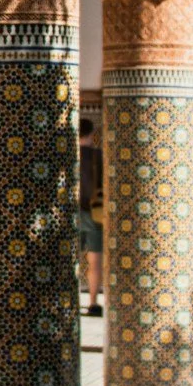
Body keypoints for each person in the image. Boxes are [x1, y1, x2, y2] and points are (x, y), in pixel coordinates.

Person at [78, 111, 104, 316]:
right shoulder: (98, 156)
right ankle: (93, 302)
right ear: (90, 134)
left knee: (72, 259)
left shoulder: (68, 155)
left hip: (71, 213)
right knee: (95, 261)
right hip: (94, 213)